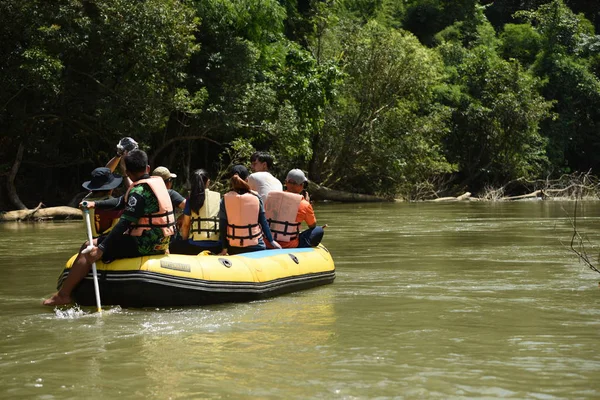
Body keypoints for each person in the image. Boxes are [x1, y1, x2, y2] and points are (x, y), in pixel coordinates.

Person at [43, 150, 176, 306]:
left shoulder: (139, 191)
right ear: (147, 168)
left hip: (144, 243)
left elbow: (123, 223)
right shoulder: (156, 184)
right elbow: (121, 201)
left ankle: (63, 295)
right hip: (162, 242)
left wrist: (101, 248)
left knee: (87, 247)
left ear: (127, 172)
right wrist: (95, 204)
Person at [218, 165, 281, 255]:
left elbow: (222, 226)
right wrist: (271, 241)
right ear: (247, 179)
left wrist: (224, 248)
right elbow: (263, 222)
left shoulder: (225, 199)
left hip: (233, 247)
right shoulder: (256, 197)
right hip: (256, 246)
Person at [265, 169, 325, 249]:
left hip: (268, 243)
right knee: (318, 230)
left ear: (286, 183)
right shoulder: (304, 204)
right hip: (290, 245)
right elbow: (312, 225)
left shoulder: (271, 198)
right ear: (302, 185)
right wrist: (308, 204)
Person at [169, 169, 222, 255]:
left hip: (194, 246)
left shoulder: (191, 198)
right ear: (208, 181)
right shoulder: (218, 198)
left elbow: (186, 225)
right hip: (216, 245)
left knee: (173, 245)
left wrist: (184, 242)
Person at [81, 167, 123, 238]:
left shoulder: (86, 199)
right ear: (111, 189)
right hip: (106, 241)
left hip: (92, 238)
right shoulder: (110, 207)